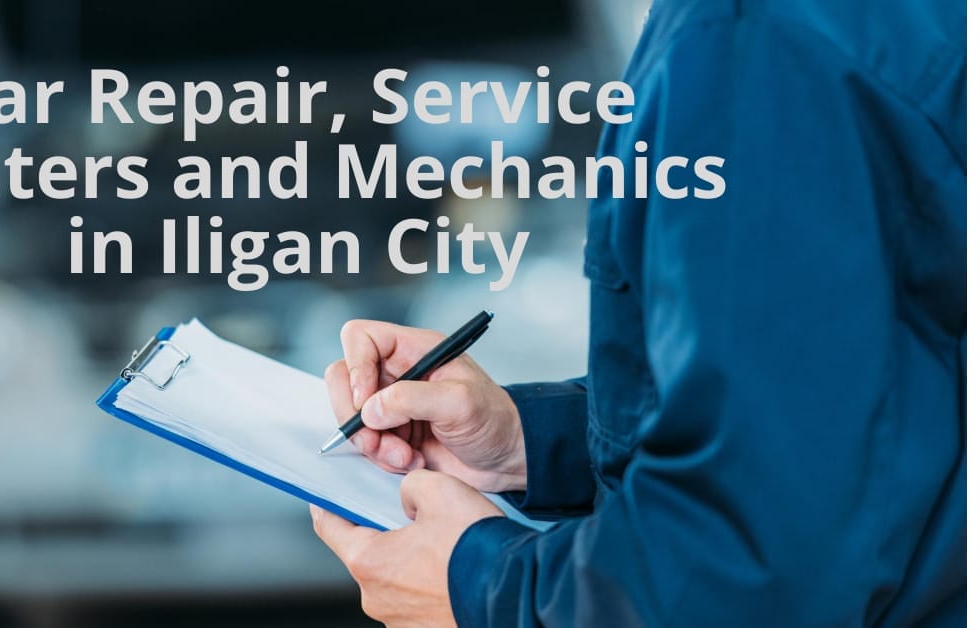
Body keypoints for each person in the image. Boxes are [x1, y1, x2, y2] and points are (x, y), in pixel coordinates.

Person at [308, 0, 965, 625]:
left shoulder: (750, 45)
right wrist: (531, 444)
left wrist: (482, 588)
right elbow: (852, 404)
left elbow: (744, 572)